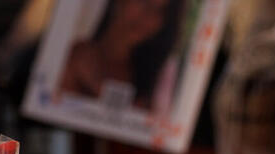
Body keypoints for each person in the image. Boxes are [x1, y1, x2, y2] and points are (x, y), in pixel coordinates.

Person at [58, 0, 186, 112]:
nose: (148, 16)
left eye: (160, 11)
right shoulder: (75, 57)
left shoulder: (155, 80)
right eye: (144, 1)